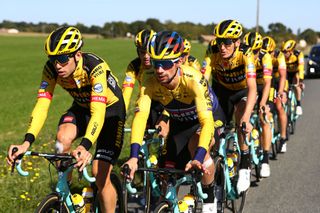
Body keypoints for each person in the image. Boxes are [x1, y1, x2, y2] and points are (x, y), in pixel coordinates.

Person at [6, 26, 125, 213]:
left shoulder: (95, 68)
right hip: (82, 107)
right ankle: (67, 195)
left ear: (77, 55)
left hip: (109, 112)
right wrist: (26, 143)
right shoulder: (51, 70)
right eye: (52, 60)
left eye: (62, 59)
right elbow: (42, 106)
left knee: (99, 174)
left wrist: (85, 146)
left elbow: (98, 112)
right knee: (62, 138)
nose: (57, 65)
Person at [123, 31, 225, 212]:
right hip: (180, 123)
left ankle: (210, 200)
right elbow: (140, 117)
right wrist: (133, 157)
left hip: (208, 119)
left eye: (165, 63)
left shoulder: (194, 79)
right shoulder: (149, 78)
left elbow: (206, 122)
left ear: (178, 62)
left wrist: (199, 157)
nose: (159, 70)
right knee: (166, 170)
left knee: (196, 146)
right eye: (155, 63)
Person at [202, 19, 257, 193]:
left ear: (237, 43)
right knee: (214, 129)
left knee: (241, 116)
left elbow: (253, 87)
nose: (222, 47)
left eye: (227, 42)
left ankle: (245, 163)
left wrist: (246, 119)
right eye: (219, 42)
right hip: (222, 92)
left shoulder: (245, 53)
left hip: (242, 92)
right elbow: (203, 81)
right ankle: (218, 170)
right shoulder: (212, 50)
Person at [243, 32, 273, 177]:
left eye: (255, 51)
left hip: (263, 88)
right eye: (250, 50)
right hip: (250, 87)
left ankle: (266, 159)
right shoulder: (243, 55)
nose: (252, 54)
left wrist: (262, 103)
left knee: (263, 117)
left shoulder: (265, 57)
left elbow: (268, 82)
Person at [262, 36, 288, 153]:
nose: (268, 54)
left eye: (270, 52)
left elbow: (283, 76)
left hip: (279, 81)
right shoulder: (262, 57)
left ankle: (283, 138)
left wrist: (281, 92)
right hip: (267, 81)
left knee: (279, 106)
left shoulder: (279, 56)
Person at [281, 39, 304, 116]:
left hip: (295, 73)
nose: (284, 54)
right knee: (284, 87)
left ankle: (298, 105)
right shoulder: (282, 56)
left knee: (297, 84)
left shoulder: (298, 54)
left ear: (291, 51)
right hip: (287, 73)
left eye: (286, 52)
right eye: (283, 52)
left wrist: (301, 80)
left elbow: (301, 68)